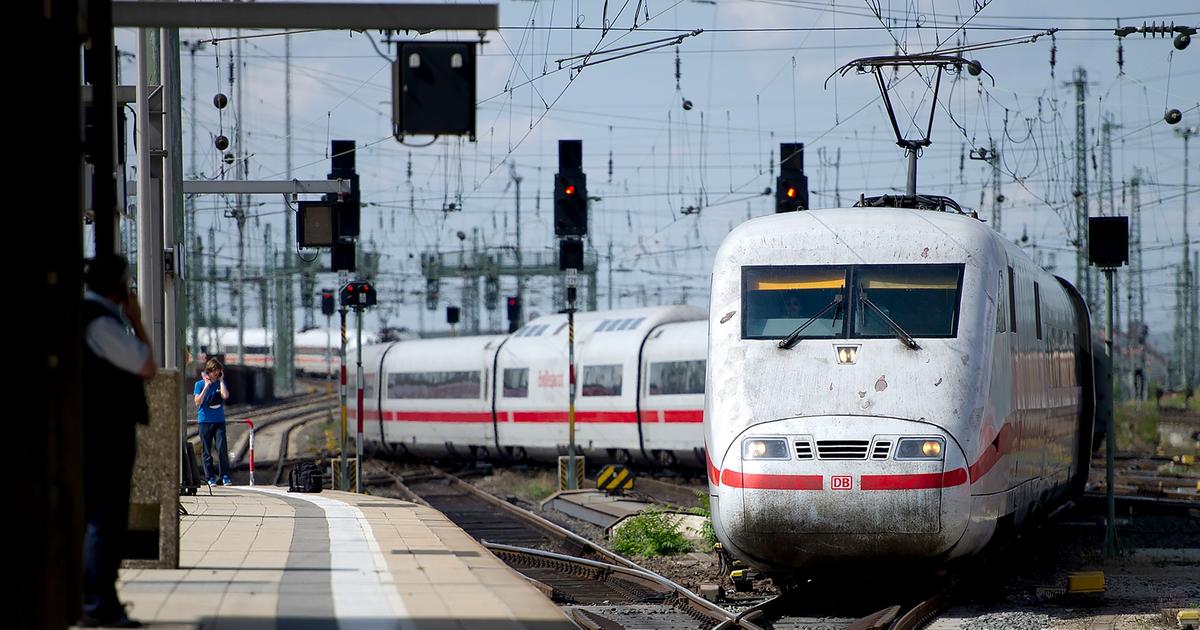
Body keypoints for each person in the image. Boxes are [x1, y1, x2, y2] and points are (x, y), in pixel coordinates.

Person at [80, 254, 155, 628]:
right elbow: (147, 365)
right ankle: (98, 605)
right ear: (120, 287)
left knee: (100, 518)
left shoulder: (89, 318)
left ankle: (97, 601)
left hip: (94, 432)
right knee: (104, 520)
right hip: (103, 434)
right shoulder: (101, 324)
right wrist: (137, 320)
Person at [194, 359, 232, 486]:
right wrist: (206, 386)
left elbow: (225, 396)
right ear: (209, 371)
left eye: (219, 371)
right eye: (216, 371)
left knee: (222, 449)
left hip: (219, 421)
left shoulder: (221, 383)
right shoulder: (199, 384)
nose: (218, 373)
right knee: (206, 451)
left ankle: (225, 476)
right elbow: (197, 402)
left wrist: (221, 381)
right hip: (204, 421)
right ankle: (210, 477)